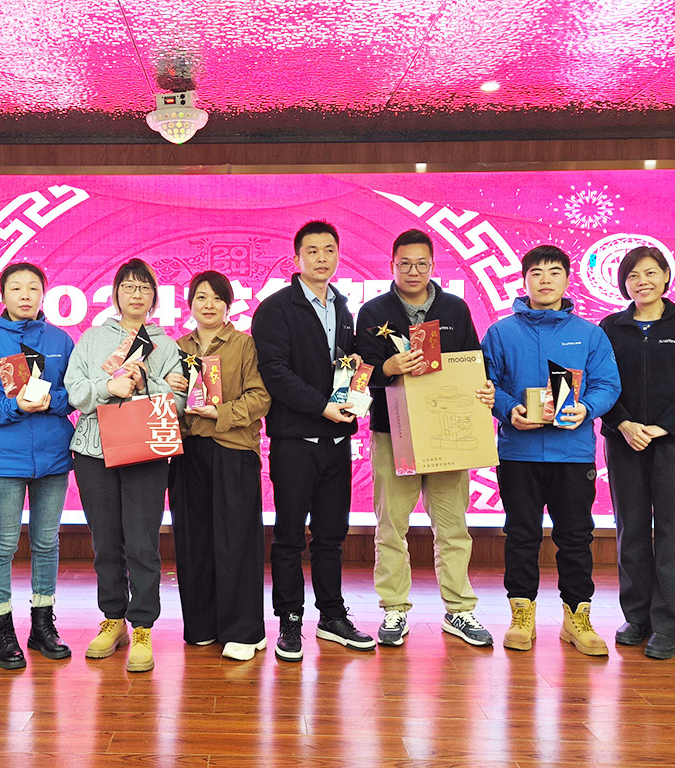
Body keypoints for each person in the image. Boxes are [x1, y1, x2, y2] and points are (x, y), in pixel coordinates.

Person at [356, 229, 495, 648]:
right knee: (391, 526)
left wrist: (483, 388)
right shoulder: (373, 311)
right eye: (405, 264)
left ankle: (459, 609)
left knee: (453, 526)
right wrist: (389, 367)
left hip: (447, 432)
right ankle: (394, 608)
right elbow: (360, 373)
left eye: (421, 264)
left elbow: (473, 361)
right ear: (392, 265)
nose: (413, 271)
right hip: (393, 431)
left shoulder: (455, 307)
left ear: (433, 265)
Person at [482, 244, 621, 656]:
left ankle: (577, 618)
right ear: (524, 280)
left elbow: (608, 384)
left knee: (576, 537)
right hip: (518, 453)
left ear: (567, 279)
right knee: (520, 535)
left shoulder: (590, 334)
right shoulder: (500, 333)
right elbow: (487, 385)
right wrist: (509, 410)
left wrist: (586, 408)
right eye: (537, 273)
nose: (545, 280)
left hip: (572, 453)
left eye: (554, 272)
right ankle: (521, 615)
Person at [251, 220, 375, 662]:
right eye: (313, 251)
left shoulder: (343, 307)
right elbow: (275, 373)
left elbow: (345, 367)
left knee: (331, 535)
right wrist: (322, 406)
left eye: (329, 250)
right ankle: (289, 619)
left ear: (338, 255)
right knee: (289, 536)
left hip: (337, 442)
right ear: (297, 257)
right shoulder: (275, 309)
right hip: (294, 442)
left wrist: (353, 387)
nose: (322, 258)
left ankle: (332, 616)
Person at [599, 246, 675, 660]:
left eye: (651, 273)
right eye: (633, 275)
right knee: (630, 530)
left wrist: (662, 426)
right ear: (624, 283)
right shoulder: (611, 327)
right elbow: (599, 382)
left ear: (666, 276)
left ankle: (667, 626)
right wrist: (624, 423)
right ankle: (637, 618)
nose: (642, 282)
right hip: (625, 442)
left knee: (674, 534)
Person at [0, 262, 76, 669]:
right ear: (2, 295)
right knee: (3, 545)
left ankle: (42, 625)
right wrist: (13, 406)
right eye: (16, 288)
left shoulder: (59, 339)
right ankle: (2, 630)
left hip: (54, 457)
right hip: (4, 459)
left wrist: (52, 401)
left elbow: (74, 393)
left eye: (33, 288)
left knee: (47, 542)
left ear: (43, 294)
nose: (25, 295)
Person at [65, 258, 181, 673]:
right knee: (106, 541)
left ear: (154, 297)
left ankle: (143, 625)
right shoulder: (93, 338)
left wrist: (149, 381)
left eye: (144, 288)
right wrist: (108, 386)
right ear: (115, 294)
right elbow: (74, 389)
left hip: (146, 449)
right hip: (94, 451)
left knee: (142, 542)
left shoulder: (167, 345)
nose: (136, 294)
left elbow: (181, 400)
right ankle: (113, 619)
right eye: (129, 287)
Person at [166, 271, 271, 661]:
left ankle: (244, 630)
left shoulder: (245, 345)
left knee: (236, 540)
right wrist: (170, 388)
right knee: (193, 539)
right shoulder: (176, 348)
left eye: (216, 298)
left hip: (232, 448)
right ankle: (202, 624)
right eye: (200, 297)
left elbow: (261, 397)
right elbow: (162, 400)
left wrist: (220, 412)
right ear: (190, 304)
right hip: (188, 450)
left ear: (229, 305)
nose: (208, 305)